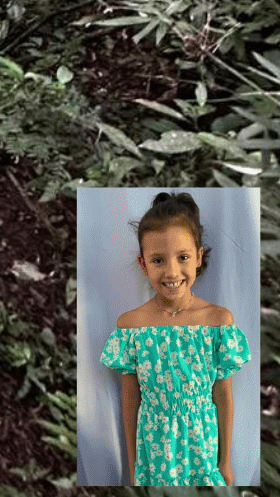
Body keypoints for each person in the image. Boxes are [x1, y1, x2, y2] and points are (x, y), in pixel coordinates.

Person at [99, 192, 250, 486]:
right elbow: (130, 399)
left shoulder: (218, 322)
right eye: (158, 260)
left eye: (182, 257)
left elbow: (223, 396)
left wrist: (226, 462)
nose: (171, 271)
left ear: (198, 257)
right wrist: (132, 467)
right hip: (153, 455)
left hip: (203, 451)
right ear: (143, 265)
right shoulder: (130, 328)